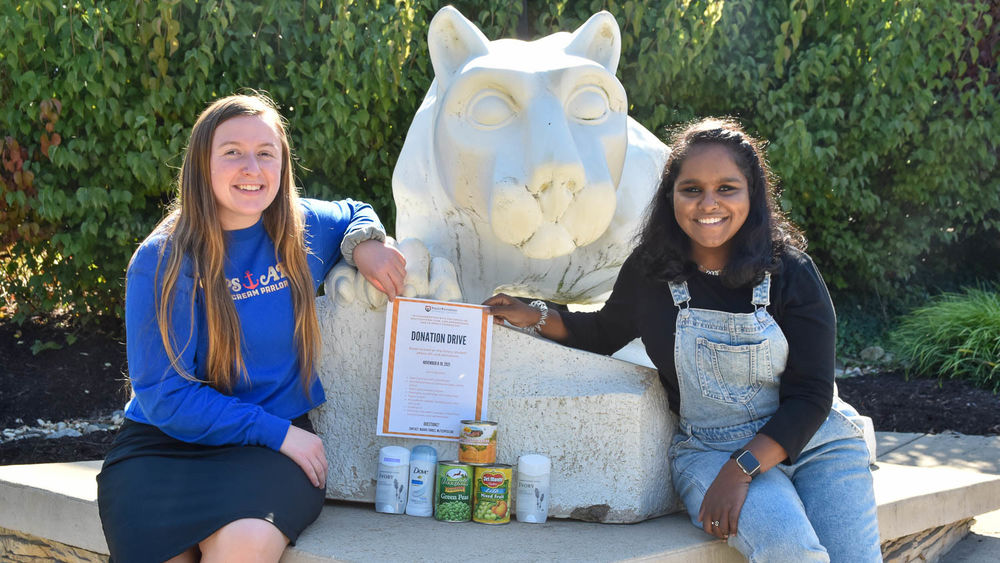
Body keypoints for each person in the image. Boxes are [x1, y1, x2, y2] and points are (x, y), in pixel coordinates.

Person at [485, 118, 881, 562]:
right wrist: (533, 314)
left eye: (727, 188)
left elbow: (811, 397)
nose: (708, 203)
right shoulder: (651, 271)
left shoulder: (790, 272)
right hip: (712, 448)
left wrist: (742, 467)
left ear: (752, 193)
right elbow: (601, 332)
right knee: (792, 549)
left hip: (815, 441)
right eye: (691, 188)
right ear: (671, 195)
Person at [97, 94, 406, 563]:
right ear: (202, 164)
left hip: (267, 457)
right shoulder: (162, 260)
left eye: (266, 153)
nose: (252, 167)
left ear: (282, 165)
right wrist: (281, 434)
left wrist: (365, 245)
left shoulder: (299, 229)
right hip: (165, 448)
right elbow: (165, 395)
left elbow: (355, 211)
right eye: (232, 152)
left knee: (241, 550)